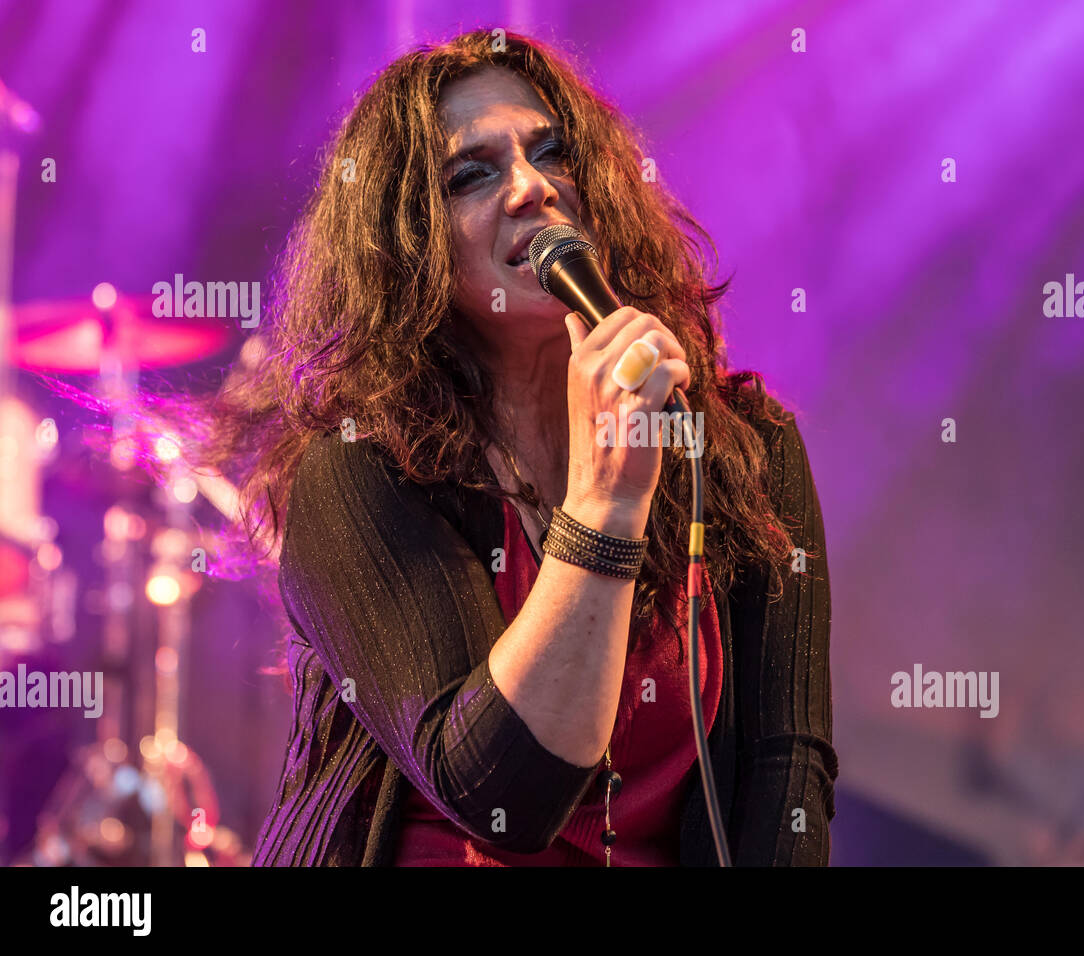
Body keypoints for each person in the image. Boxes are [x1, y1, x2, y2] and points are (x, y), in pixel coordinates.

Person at [230, 29, 837, 866]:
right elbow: (503, 799)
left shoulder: (742, 449)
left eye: (553, 153)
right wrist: (604, 508)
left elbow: (785, 771)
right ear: (412, 248)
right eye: (471, 174)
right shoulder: (362, 468)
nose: (531, 188)